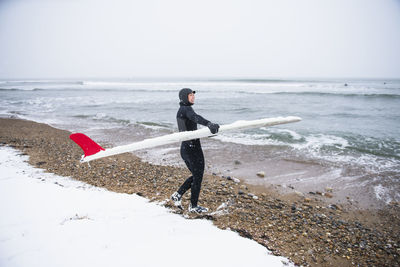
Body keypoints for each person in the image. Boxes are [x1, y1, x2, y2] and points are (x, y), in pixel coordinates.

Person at [171, 88, 220, 213]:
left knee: (196, 176)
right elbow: (195, 117)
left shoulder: (183, 109)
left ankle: (178, 195)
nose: (193, 97)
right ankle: (193, 206)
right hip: (192, 149)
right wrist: (209, 123)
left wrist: (207, 130)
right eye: (190, 95)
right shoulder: (186, 110)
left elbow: (192, 121)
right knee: (198, 177)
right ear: (184, 97)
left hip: (187, 147)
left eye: (193, 95)